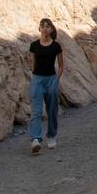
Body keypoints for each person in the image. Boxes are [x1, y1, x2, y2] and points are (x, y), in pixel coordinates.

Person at [28, 18, 64, 154]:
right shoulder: (34, 45)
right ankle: (35, 139)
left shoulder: (56, 46)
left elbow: (61, 65)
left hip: (51, 79)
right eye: (42, 26)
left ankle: (51, 135)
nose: (45, 28)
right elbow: (31, 61)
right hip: (37, 79)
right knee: (36, 110)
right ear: (39, 29)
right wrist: (34, 75)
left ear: (52, 29)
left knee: (52, 109)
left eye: (48, 26)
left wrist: (56, 79)